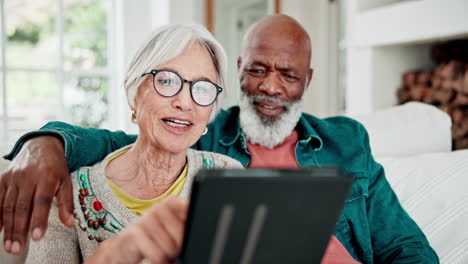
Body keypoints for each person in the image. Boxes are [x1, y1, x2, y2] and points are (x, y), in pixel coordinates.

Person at [0, 15, 439, 263]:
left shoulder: (348, 143)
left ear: (308, 81)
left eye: (288, 75)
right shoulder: (213, 149)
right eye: (257, 70)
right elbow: (128, 141)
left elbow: (408, 248)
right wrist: (48, 141)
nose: (270, 87)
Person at [15, 24, 244, 263]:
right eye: (166, 81)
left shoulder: (230, 177)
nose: (185, 102)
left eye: (203, 88)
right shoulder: (68, 195)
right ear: (132, 92)